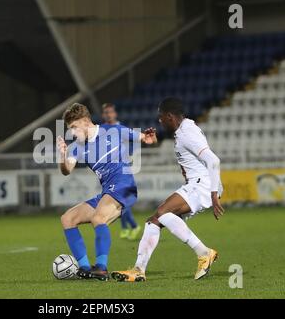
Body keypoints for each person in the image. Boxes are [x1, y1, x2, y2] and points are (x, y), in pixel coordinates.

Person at [111, 97, 224, 282]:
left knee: (163, 213)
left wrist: (213, 193)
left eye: (161, 117)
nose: (159, 121)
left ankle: (204, 253)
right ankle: (139, 269)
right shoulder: (184, 130)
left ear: (170, 116)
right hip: (196, 184)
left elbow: (213, 160)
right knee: (154, 220)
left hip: (202, 184)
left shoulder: (187, 132)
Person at [57, 103, 157, 281]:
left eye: (74, 127)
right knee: (67, 218)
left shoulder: (113, 130)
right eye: (69, 129)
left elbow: (146, 138)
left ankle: (101, 268)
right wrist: (62, 157)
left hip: (124, 185)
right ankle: (86, 268)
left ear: (86, 121)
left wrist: (149, 138)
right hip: (107, 191)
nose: (72, 133)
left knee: (98, 218)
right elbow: (67, 170)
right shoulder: (76, 147)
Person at [101, 103, 142, 240]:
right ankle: (126, 228)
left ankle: (133, 226)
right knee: (117, 200)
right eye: (106, 112)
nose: (108, 115)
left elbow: (135, 142)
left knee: (119, 200)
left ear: (115, 114)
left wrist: (130, 156)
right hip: (109, 169)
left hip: (122, 168)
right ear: (103, 115)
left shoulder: (121, 129)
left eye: (110, 112)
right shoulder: (103, 130)